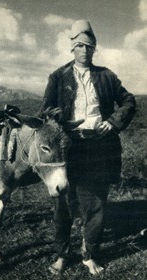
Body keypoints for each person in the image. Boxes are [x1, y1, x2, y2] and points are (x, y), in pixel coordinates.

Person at [40, 19, 136, 275]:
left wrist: (113, 122)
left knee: (95, 204)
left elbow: (128, 101)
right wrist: (56, 115)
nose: (84, 50)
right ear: (72, 48)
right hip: (68, 146)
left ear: (94, 49)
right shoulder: (58, 77)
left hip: (99, 146)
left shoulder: (106, 76)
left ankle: (89, 253)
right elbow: (45, 110)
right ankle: (61, 254)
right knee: (63, 204)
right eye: (80, 45)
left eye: (89, 46)